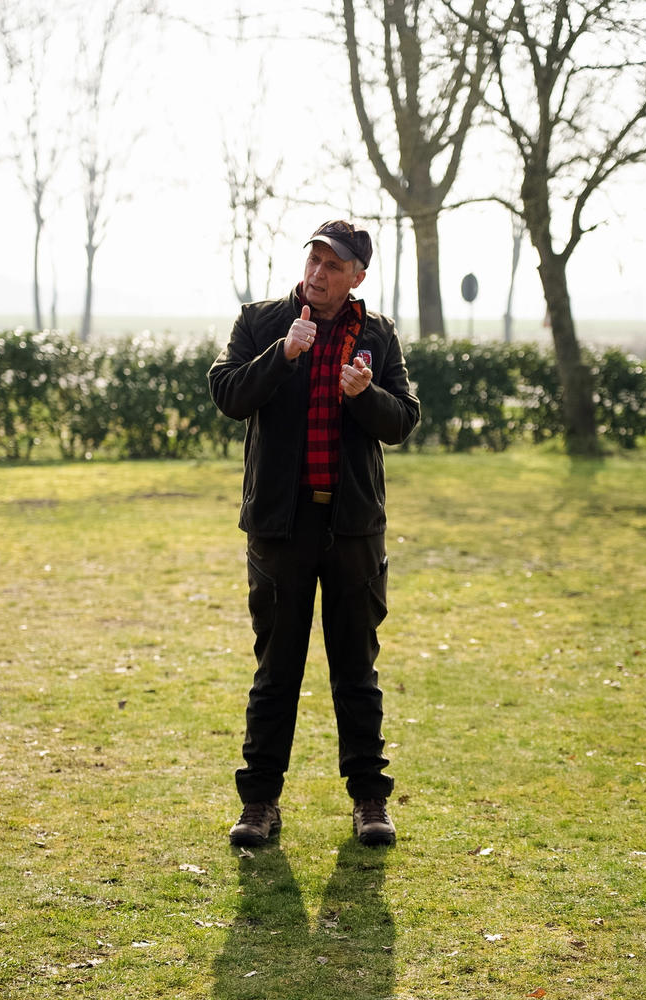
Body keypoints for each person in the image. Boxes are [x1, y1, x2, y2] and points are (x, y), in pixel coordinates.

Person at [208, 220, 420, 848]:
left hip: (352, 528)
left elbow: (402, 420)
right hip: (281, 528)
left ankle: (370, 802)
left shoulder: (378, 334)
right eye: (314, 261)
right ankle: (259, 804)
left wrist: (365, 395)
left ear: (357, 276)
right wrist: (282, 355)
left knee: (356, 670)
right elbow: (227, 394)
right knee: (276, 671)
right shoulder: (261, 322)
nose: (318, 274)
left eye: (333, 266)